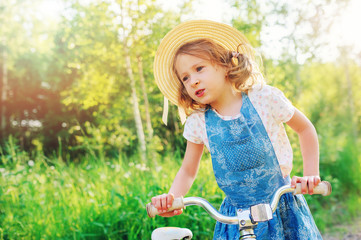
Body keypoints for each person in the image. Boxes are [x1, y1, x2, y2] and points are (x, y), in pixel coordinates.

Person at [151, 20, 323, 239]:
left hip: (280, 207)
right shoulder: (199, 121)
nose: (193, 81)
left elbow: (305, 129)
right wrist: (172, 198)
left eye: (199, 69)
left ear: (226, 65)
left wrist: (310, 175)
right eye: (185, 78)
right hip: (236, 216)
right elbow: (187, 170)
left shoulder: (264, 98)